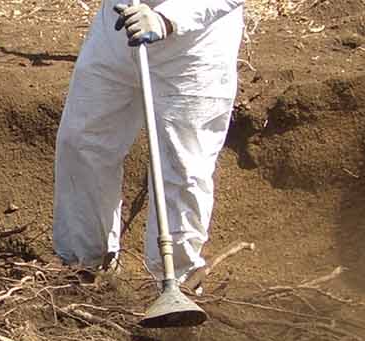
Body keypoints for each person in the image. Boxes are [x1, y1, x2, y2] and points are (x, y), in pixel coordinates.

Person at [52, 0, 245, 284]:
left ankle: (178, 282)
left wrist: (168, 19)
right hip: (119, 24)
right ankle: (84, 266)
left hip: (194, 45)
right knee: (82, 140)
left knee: (182, 167)